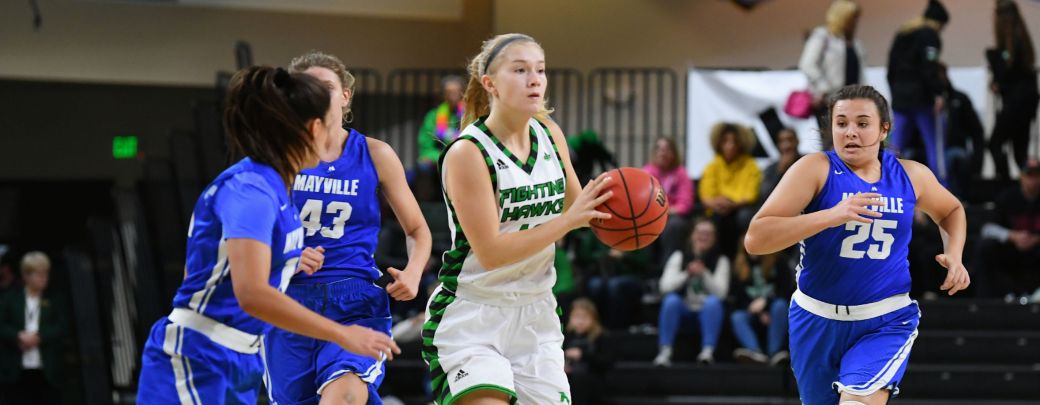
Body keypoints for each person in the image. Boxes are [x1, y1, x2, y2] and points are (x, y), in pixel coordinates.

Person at [136, 66, 400, 404]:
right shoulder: (251, 189)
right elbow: (251, 294)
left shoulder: (279, 189)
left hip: (241, 356)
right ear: (314, 128)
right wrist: (341, 333)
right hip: (200, 355)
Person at [745, 84, 970, 405]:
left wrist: (955, 254)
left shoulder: (911, 175)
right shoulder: (814, 169)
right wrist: (830, 216)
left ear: (883, 130)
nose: (851, 132)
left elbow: (951, 210)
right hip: (815, 317)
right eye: (842, 123)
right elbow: (756, 238)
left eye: (863, 124)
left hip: (885, 320)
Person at [420, 33, 613, 405]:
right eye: (520, 70)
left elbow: (583, 210)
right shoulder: (468, 152)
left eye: (540, 70)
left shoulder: (550, 135)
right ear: (490, 83)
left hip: (536, 312)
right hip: (475, 313)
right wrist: (569, 221)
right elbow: (491, 251)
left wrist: (628, 212)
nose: (535, 79)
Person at [264, 51, 432, 405]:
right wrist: (288, 253)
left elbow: (417, 229)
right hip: (288, 299)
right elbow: (252, 236)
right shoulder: (278, 156)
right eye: (310, 88)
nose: (320, 95)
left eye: (327, 86)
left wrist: (414, 272)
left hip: (354, 297)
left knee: (344, 394)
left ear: (346, 95)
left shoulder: (375, 153)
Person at [886, 0, 949, 182]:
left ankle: (885, 187)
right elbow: (929, 67)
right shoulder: (930, 36)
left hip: (900, 98)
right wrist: (937, 93)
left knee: (895, 147)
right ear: (939, 23)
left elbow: (890, 69)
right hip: (922, 99)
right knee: (934, 147)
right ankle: (942, 192)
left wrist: (896, 93)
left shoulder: (902, 33)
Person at [654, 218, 729, 367]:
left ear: (714, 238)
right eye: (700, 232)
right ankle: (665, 351)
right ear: (692, 235)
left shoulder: (721, 260)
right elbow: (664, 287)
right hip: (684, 311)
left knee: (713, 302)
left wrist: (704, 274)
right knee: (671, 300)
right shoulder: (679, 256)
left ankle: (707, 352)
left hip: (707, 313)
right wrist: (686, 274)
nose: (704, 236)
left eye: (708, 233)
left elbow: (721, 294)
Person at [0, 252, 65, 405]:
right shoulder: (9, 298)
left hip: (46, 369)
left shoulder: (54, 299)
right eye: (39, 274)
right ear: (26, 276)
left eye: (46, 273)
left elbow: (62, 326)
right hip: (16, 370)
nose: (44, 278)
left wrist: (39, 336)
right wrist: (18, 336)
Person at [987, 0, 1040, 180]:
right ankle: (1026, 190)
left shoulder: (1009, 48)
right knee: (1020, 152)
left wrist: (996, 77)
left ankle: (1005, 184)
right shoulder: (1023, 42)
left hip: (1016, 104)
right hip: (1027, 104)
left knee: (995, 143)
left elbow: (1004, 76)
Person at [976, 159, 1040, 300]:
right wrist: (1013, 236)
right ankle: (988, 299)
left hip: (1036, 250)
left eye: (1037, 175)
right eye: (1030, 175)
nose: (1034, 180)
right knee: (986, 247)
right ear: (1021, 177)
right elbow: (987, 228)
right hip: (1011, 250)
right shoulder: (1007, 197)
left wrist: (1035, 239)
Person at [798, 0, 865, 133]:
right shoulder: (823, 36)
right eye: (852, 18)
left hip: (851, 101)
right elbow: (807, 64)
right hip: (828, 101)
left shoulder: (854, 43)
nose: (855, 22)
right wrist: (824, 87)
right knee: (831, 141)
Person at [699, 122, 762, 257]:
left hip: (740, 211)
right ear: (719, 144)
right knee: (718, 221)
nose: (730, 145)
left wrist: (731, 204)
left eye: (734, 141)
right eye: (726, 141)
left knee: (740, 218)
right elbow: (706, 196)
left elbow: (751, 194)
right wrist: (718, 203)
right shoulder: (712, 166)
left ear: (740, 144)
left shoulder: (750, 165)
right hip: (717, 212)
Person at [729, 238, 793, 366]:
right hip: (751, 312)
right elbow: (735, 298)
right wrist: (759, 313)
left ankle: (774, 353)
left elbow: (787, 291)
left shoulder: (779, 261)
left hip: (775, 311)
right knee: (737, 317)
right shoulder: (738, 265)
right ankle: (755, 352)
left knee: (780, 305)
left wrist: (766, 303)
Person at [644, 137, 695, 272]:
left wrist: (668, 211)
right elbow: (642, 200)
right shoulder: (646, 172)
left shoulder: (681, 173)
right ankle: (645, 271)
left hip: (673, 215)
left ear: (674, 153)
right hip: (650, 214)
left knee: (674, 226)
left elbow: (686, 202)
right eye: (659, 149)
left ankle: (666, 269)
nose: (663, 153)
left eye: (667, 149)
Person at [936, 63, 985, 198]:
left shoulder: (960, 100)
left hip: (954, 148)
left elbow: (977, 131)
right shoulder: (921, 103)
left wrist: (978, 162)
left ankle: (957, 200)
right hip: (931, 150)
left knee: (955, 157)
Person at [563, 298, 611, 405]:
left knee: (581, 379)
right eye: (576, 317)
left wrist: (583, 355)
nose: (580, 321)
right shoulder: (565, 336)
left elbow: (606, 362)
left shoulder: (601, 337)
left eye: (584, 317)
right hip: (569, 377)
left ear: (593, 319)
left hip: (591, 379)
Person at [418, 76, 466, 170]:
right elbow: (426, 145)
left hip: (463, 157)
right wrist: (440, 157)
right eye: (449, 92)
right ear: (443, 95)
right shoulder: (433, 116)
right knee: (423, 166)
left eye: (457, 92)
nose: (453, 95)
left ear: (463, 94)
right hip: (438, 158)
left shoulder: (469, 115)